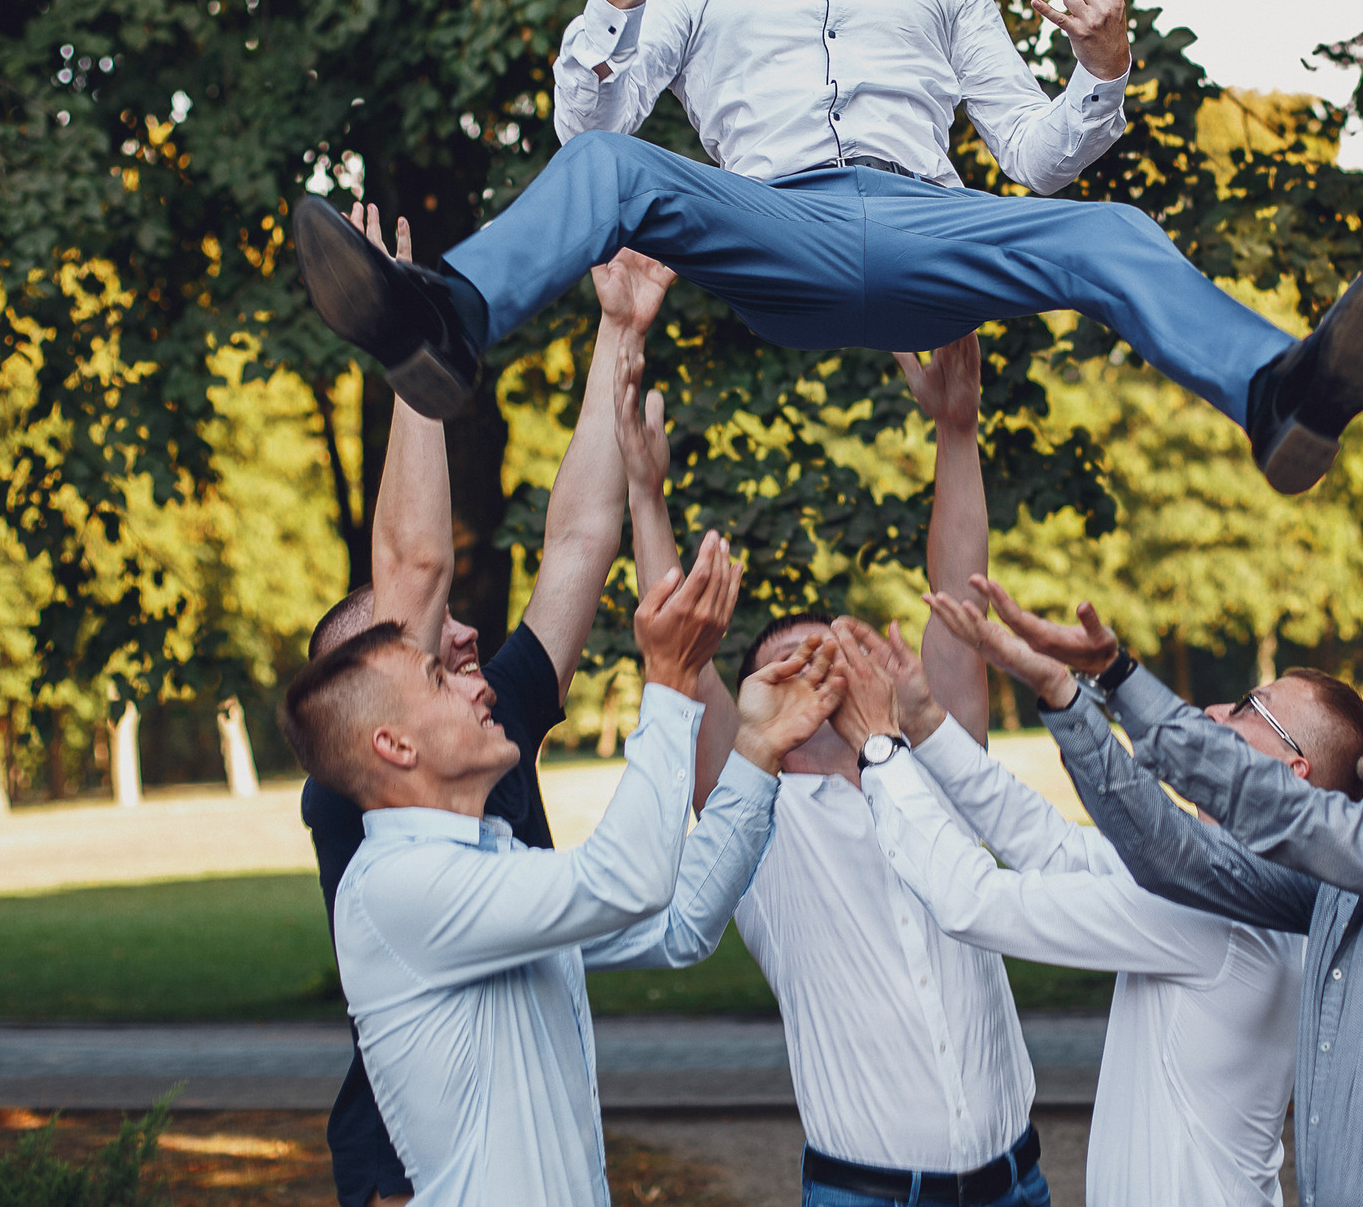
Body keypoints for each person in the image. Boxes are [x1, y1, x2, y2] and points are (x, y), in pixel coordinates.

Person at [287, 0, 1363, 498]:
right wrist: (612, 4)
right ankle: (443, 322)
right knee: (620, 170)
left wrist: (1102, 73)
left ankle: (1278, 393)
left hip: (934, 229)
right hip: (779, 229)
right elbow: (589, 137)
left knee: (1110, 232)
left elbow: (1037, 159)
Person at [300, 207, 732, 1207]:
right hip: (400, 1164)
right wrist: (411, 343)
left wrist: (618, 331)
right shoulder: (368, 815)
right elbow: (412, 565)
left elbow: (578, 537)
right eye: (425, 646)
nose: (460, 639)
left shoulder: (485, 721)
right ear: (388, 731)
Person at [278, 527, 845, 1207]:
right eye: (438, 680)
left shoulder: (488, 865)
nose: (473, 684)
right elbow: (624, 879)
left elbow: (678, 924)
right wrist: (666, 682)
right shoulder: (398, 888)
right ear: (395, 745)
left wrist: (756, 746)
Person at [968, 577, 1363, 1207]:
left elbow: (1299, 816)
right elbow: (1175, 856)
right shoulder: (1348, 885)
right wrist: (1066, 696)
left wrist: (1120, 674)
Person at [829, 604, 1363, 1207]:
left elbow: (973, 902)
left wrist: (881, 751)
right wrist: (925, 721)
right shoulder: (1259, 892)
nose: (1216, 711)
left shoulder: (1217, 914)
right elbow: (1054, 844)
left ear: (1292, 773)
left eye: (1251, 708)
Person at [698, 336, 1051, 1206]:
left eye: (834, 649)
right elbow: (685, 654)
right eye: (788, 665)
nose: (817, 670)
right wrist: (642, 491)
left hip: (1016, 1183)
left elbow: (958, 592)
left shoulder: (935, 769)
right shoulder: (758, 827)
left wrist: (956, 434)